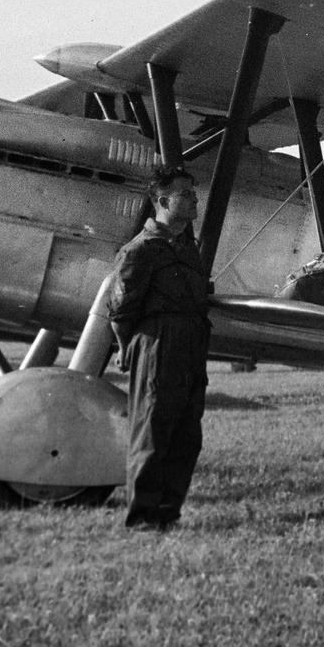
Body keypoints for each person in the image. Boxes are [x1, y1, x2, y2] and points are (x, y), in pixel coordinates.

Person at [107, 165, 211, 531]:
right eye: (186, 194)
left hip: (191, 343)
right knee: (152, 431)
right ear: (163, 201)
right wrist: (127, 350)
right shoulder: (141, 249)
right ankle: (143, 518)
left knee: (187, 435)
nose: (195, 199)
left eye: (194, 194)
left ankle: (168, 513)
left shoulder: (187, 248)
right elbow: (120, 312)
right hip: (156, 344)